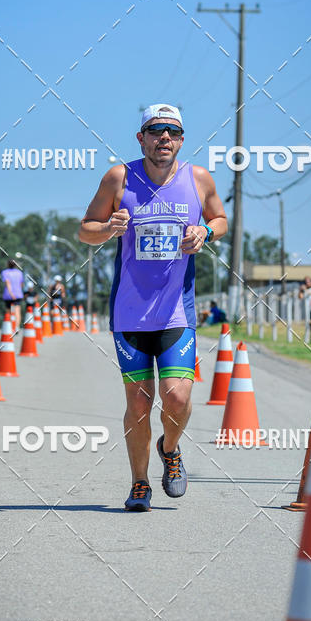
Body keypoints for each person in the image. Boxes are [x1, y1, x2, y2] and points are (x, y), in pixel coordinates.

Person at [79, 103, 227, 512]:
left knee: (176, 398)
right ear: (141, 138)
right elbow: (85, 229)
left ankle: (171, 448)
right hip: (130, 313)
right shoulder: (119, 177)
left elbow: (220, 218)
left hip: (176, 311)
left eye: (173, 131)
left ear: (181, 140)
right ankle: (140, 482)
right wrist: (107, 228)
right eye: (156, 130)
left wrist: (205, 232)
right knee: (140, 404)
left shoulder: (198, 179)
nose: (165, 137)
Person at [1, 259, 24, 331]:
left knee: (9, 311)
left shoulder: (5, 272)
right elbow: (21, 284)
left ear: (8, 264)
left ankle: (9, 327)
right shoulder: (19, 273)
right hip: (17, 294)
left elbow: (7, 283)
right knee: (17, 310)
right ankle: (16, 327)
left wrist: (11, 293)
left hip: (8, 295)